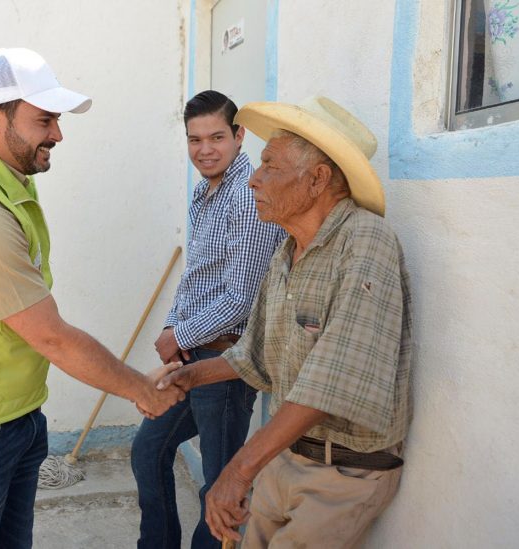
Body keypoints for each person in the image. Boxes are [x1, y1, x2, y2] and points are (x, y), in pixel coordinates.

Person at [0, 48, 184, 549]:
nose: (57, 133)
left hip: (13, 416)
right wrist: (141, 388)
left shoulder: (5, 186)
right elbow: (51, 336)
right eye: (44, 119)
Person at [157, 96, 413, 548]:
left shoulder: (365, 242)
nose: (253, 179)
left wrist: (238, 471)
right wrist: (186, 377)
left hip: (343, 472)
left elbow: (328, 385)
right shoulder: (286, 250)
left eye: (270, 166)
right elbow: (254, 357)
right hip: (286, 459)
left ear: (317, 179)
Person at [131, 90, 286, 549]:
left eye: (217, 136)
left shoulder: (249, 195)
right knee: (148, 452)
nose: (205, 149)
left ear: (239, 136)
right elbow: (197, 275)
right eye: (194, 139)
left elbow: (241, 299)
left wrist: (182, 333)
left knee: (220, 486)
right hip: (191, 355)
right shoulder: (204, 192)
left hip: (226, 362)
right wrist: (170, 329)